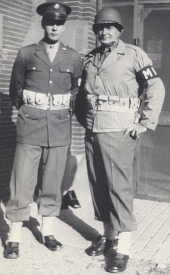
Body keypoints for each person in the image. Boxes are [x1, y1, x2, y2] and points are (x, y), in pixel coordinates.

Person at [75, 7, 165, 273]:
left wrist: (144, 122)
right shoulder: (90, 59)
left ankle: (124, 247)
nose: (105, 31)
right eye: (100, 27)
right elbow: (83, 96)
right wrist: (86, 122)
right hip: (94, 130)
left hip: (119, 130)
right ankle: (108, 236)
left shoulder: (134, 55)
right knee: (99, 185)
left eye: (110, 27)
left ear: (120, 31)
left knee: (119, 188)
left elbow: (156, 87)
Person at [4, 1, 82, 259]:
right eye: (51, 22)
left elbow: (75, 92)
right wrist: (31, 111)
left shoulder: (73, 57)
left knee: (51, 183)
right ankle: (14, 236)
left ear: (64, 26)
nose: (55, 27)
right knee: (22, 183)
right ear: (43, 24)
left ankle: (47, 231)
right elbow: (16, 90)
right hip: (30, 127)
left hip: (59, 129)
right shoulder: (27, 53)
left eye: (59, 23)